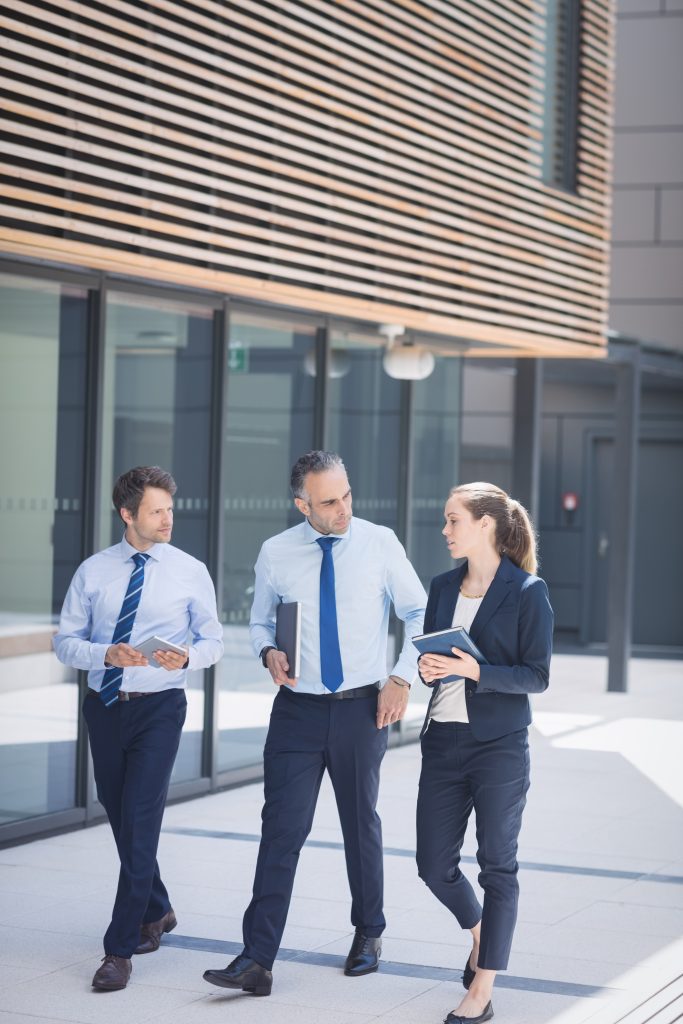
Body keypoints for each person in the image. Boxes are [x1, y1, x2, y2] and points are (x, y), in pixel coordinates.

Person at [203, 450, 427, 997]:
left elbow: (420, 612)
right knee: (280, 832)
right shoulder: (276, 553)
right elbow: (259, 620)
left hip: (361, 708)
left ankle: (369, 932)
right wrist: (267, 652)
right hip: (297, 711)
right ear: (302, 504)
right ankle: (257, 960)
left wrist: (402, 677)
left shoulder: (379, 542)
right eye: (329, 501)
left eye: (347, 494)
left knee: (359, 824)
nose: (343, 507)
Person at [54, 466, 224, 992]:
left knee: (143, 819)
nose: (168, 518)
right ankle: (160, 907)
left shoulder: (190, 570)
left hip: (160, 706)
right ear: (128, 514)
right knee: (119, 811)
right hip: (105, 704)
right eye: (156, 510)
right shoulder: (93, 571)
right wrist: (106, 652)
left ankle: (119, 948)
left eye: (170, 508)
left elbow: (213, 640)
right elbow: (65, 642)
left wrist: (186, 658)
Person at [415, 482, 553, 1024]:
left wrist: (477, 671)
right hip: (442, 742)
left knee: (498, 866)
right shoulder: (442, 585)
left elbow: (536, 676)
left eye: (453, 520)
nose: (445, 530)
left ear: (485, 525)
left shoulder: (527, 590)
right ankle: (480, 934)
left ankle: (482, 988)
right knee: (432, 865)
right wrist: (430, 669)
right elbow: (433, 657)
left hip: (499, 748)